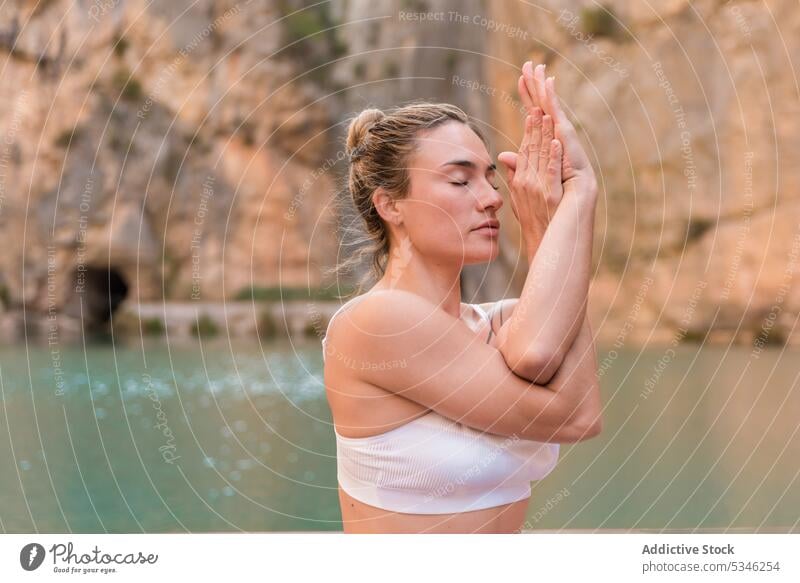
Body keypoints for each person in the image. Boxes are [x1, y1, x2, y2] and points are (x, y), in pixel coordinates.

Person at [322, 61, 602, 533]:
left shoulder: (501, 323)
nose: (491, 197)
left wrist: (545, 233)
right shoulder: (376, 322)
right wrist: (580, 192)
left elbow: (571, 395)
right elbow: (570, 417)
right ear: (390, 205)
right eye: (460, 180)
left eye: (492, 178)